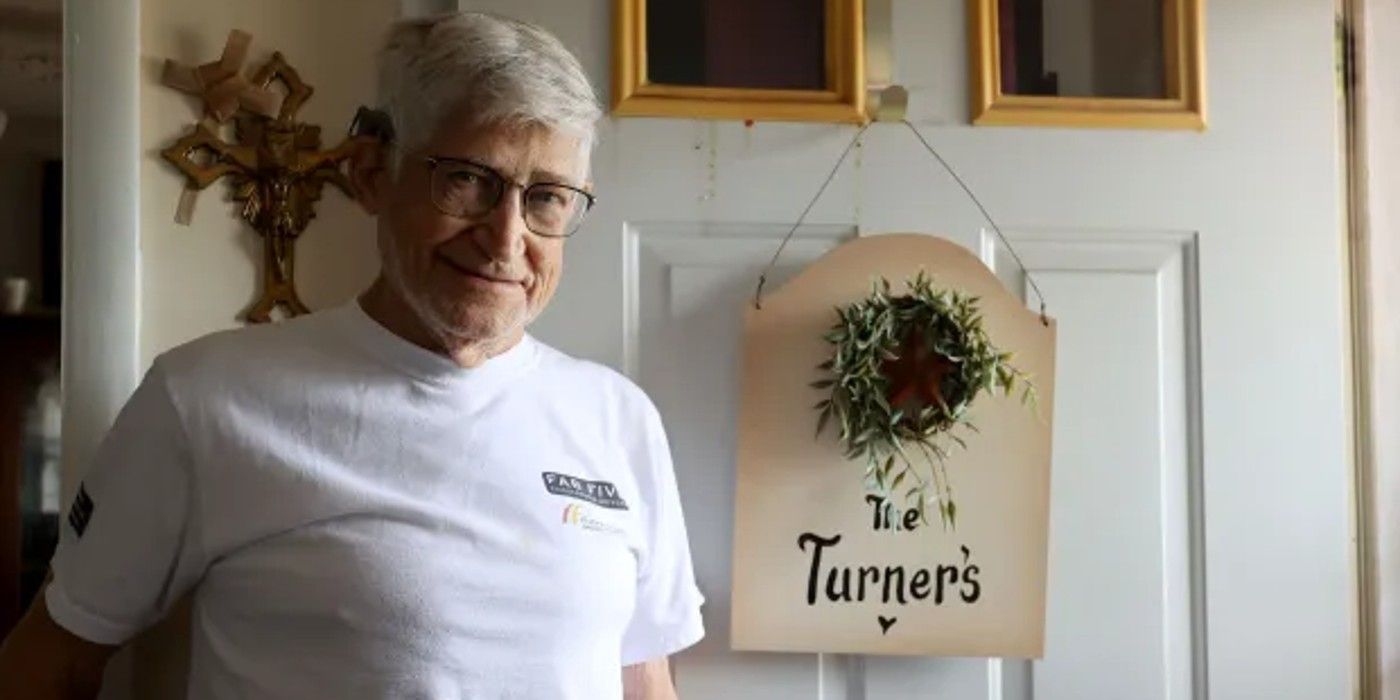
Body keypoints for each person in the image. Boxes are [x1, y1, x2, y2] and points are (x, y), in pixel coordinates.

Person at [0, 11, 704, 699]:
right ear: (371, 173)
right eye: (467, 181)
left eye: (546, 197)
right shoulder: (205, 398)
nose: (505, 238)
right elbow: (52, 661)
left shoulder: (618, 417)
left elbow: (643, 681)